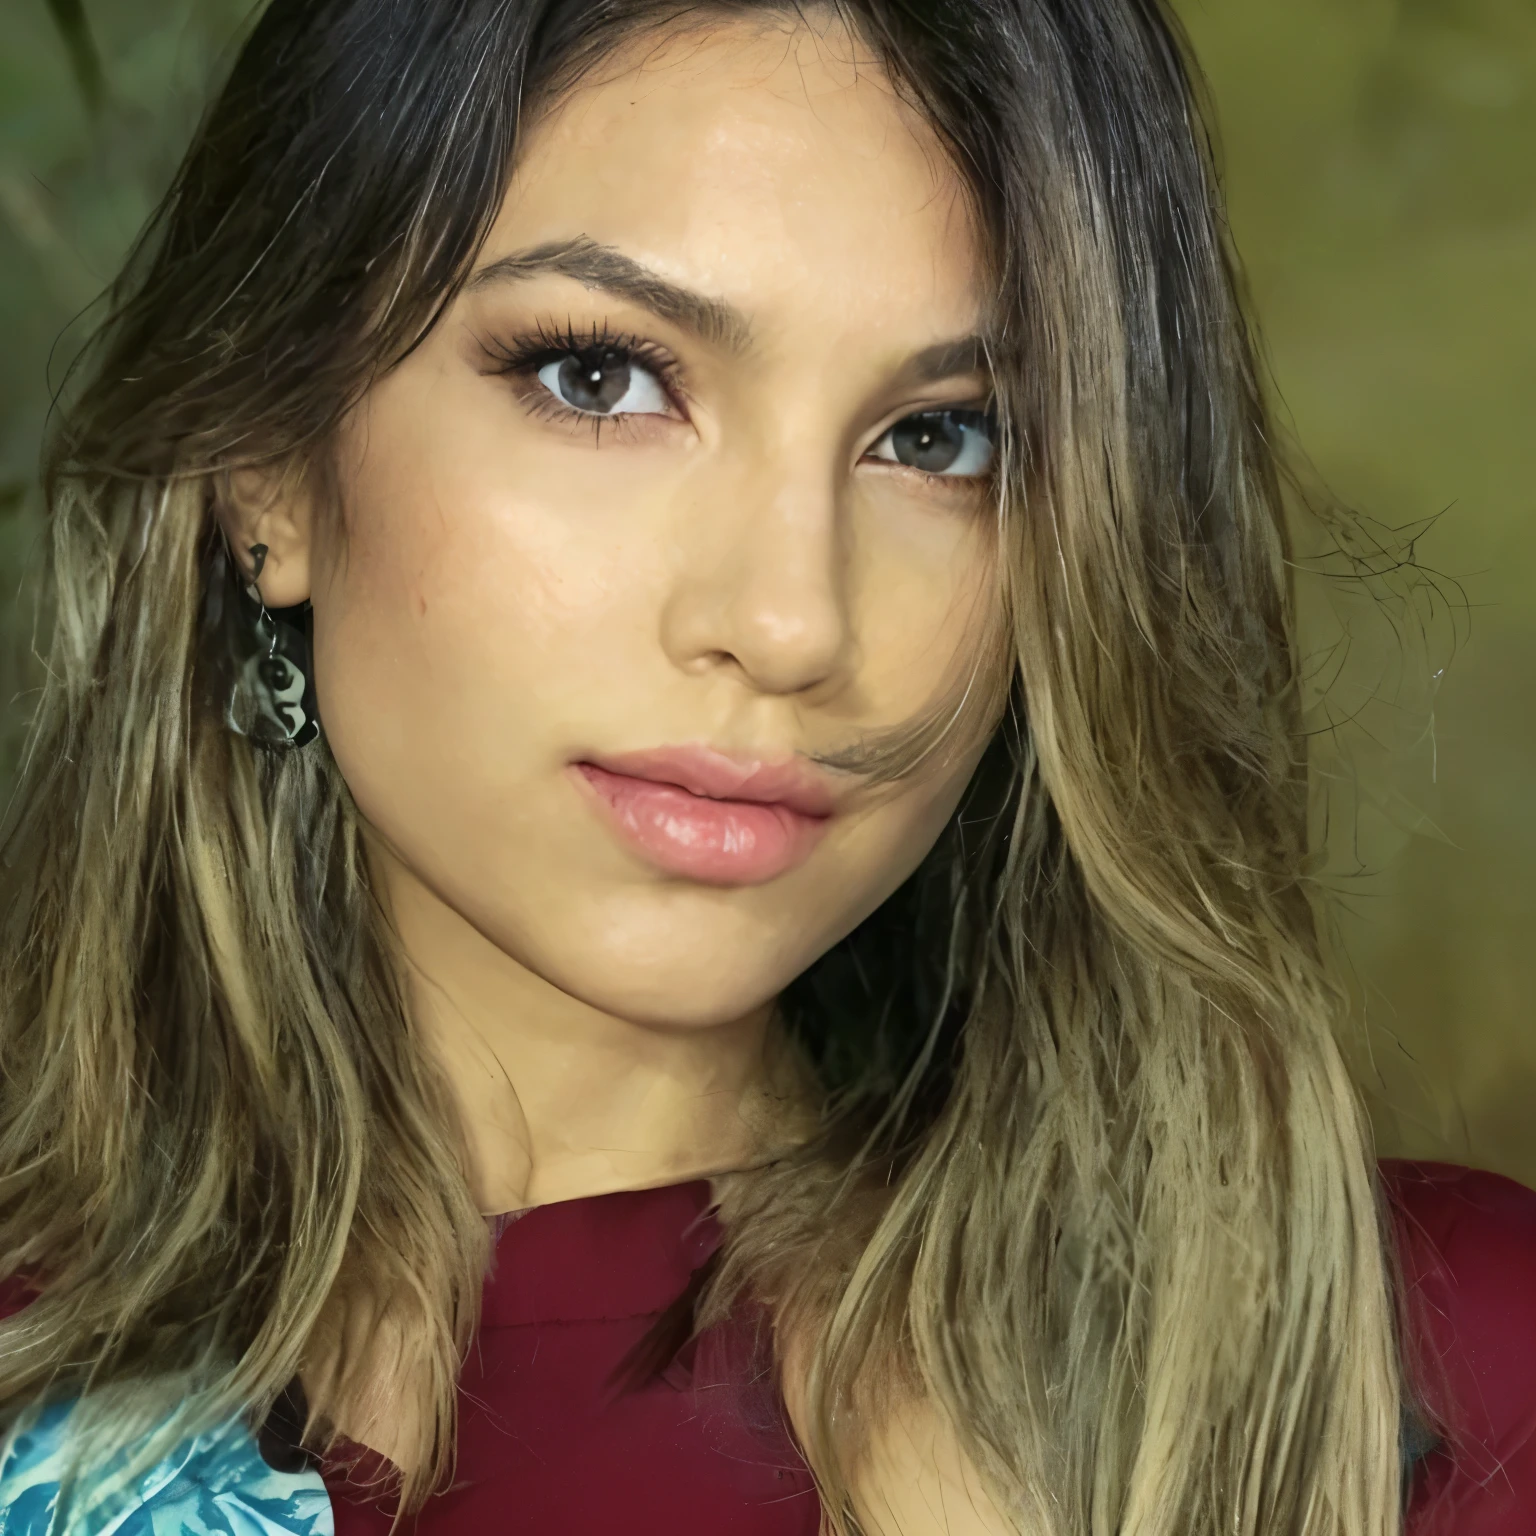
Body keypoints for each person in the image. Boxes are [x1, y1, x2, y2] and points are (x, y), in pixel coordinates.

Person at [0, 0, 1531, 1532]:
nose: (794, 621)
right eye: (603, 380)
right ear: (268, 462)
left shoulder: (1417, 1390)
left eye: (942, 440)